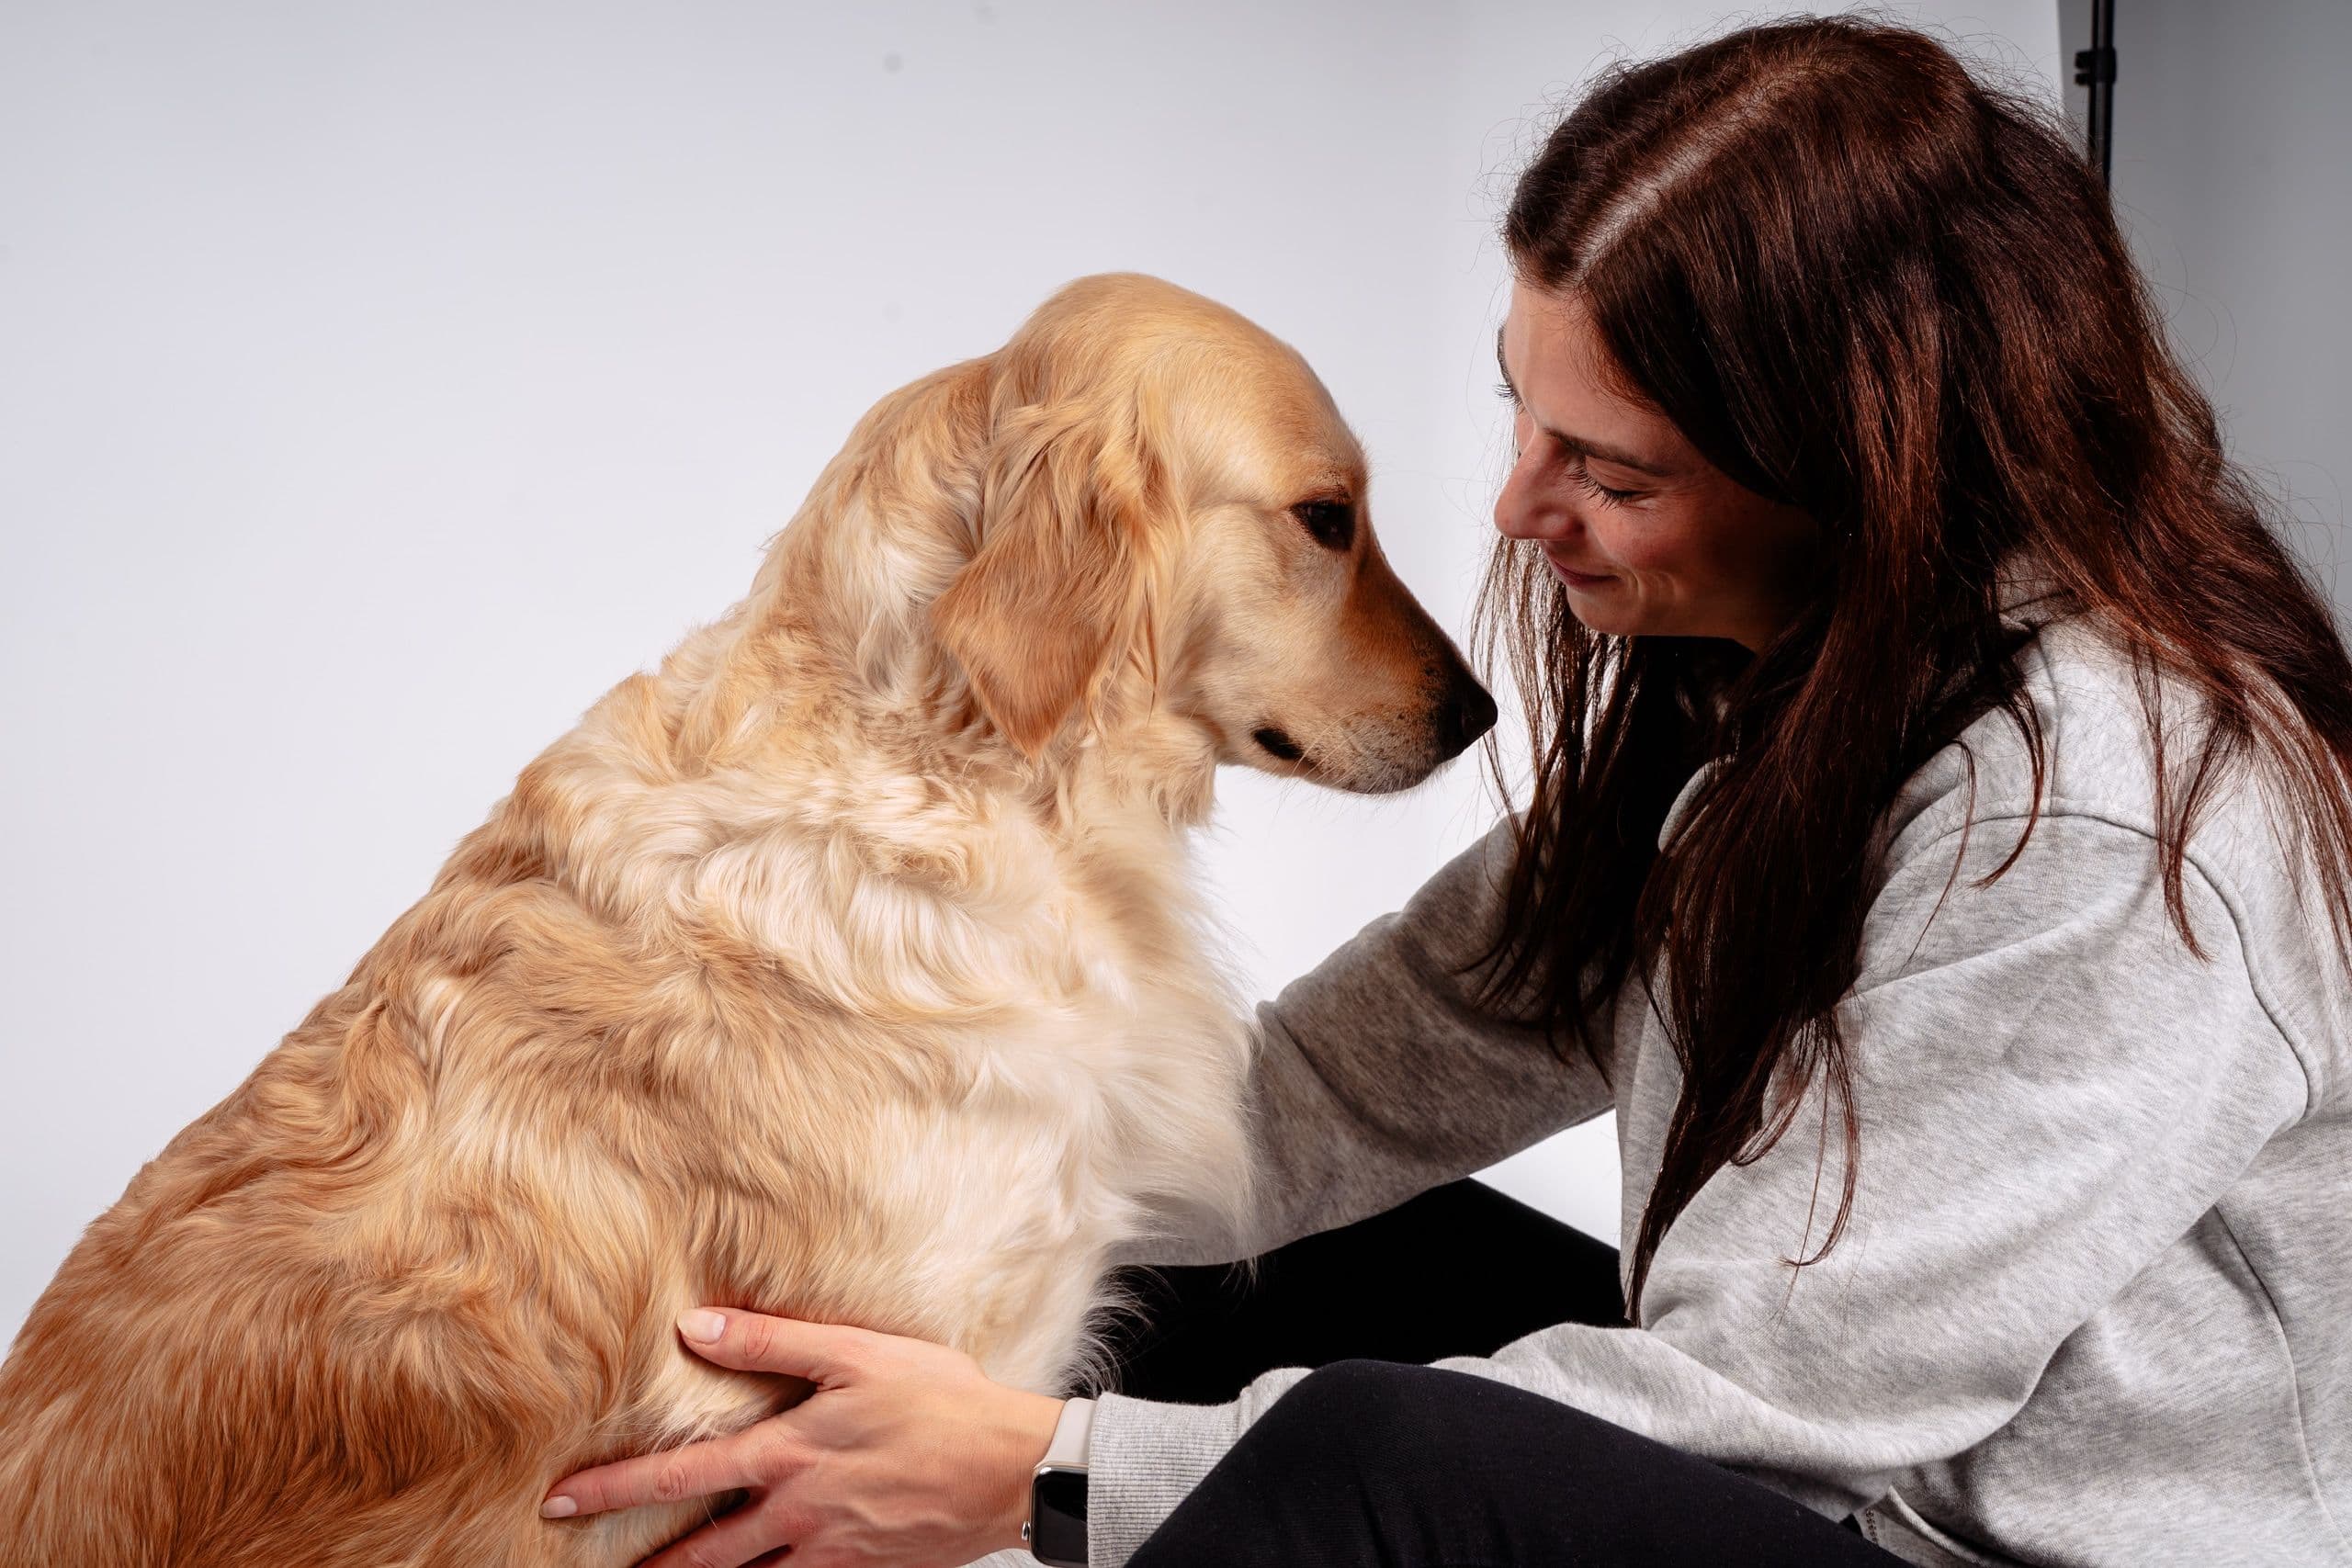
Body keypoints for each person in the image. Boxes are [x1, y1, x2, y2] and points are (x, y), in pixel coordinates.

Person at [537, 15, 2351, 1567]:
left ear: (1844, 471)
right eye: (1519, 410)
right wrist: (766, 1198)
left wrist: (1033, 1471)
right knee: (1157, 1253)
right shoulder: (1786, 716)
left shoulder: (2104, 813)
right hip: (1823, 1478)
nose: (1509, 509)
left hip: (1956, 1537)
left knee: (1356, 1455)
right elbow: (1326, 1087)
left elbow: (1766, 1409)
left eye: (1606, 467)